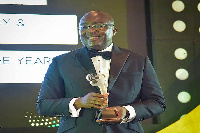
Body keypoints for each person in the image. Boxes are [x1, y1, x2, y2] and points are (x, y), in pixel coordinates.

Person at [36, 11, 166, 133]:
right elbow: (44, 105)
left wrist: (126, 111)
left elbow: (157, 103)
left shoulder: (138, 60)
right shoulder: (61, 62)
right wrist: (79, 102)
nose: (91, 31)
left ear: (114, 30)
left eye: (98, 26)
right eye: (84, 27)